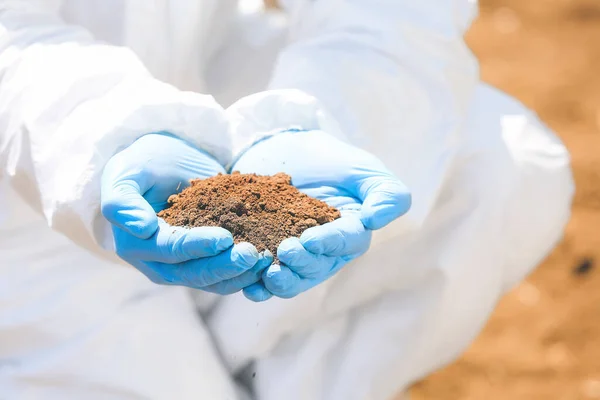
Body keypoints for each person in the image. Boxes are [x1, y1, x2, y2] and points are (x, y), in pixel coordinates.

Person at [0, 0, 573, 399]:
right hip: (25, 185)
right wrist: (116, 138)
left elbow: (390, 12)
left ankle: (243, 373)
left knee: (498, 164)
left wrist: (321, 119)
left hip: (210, 64)